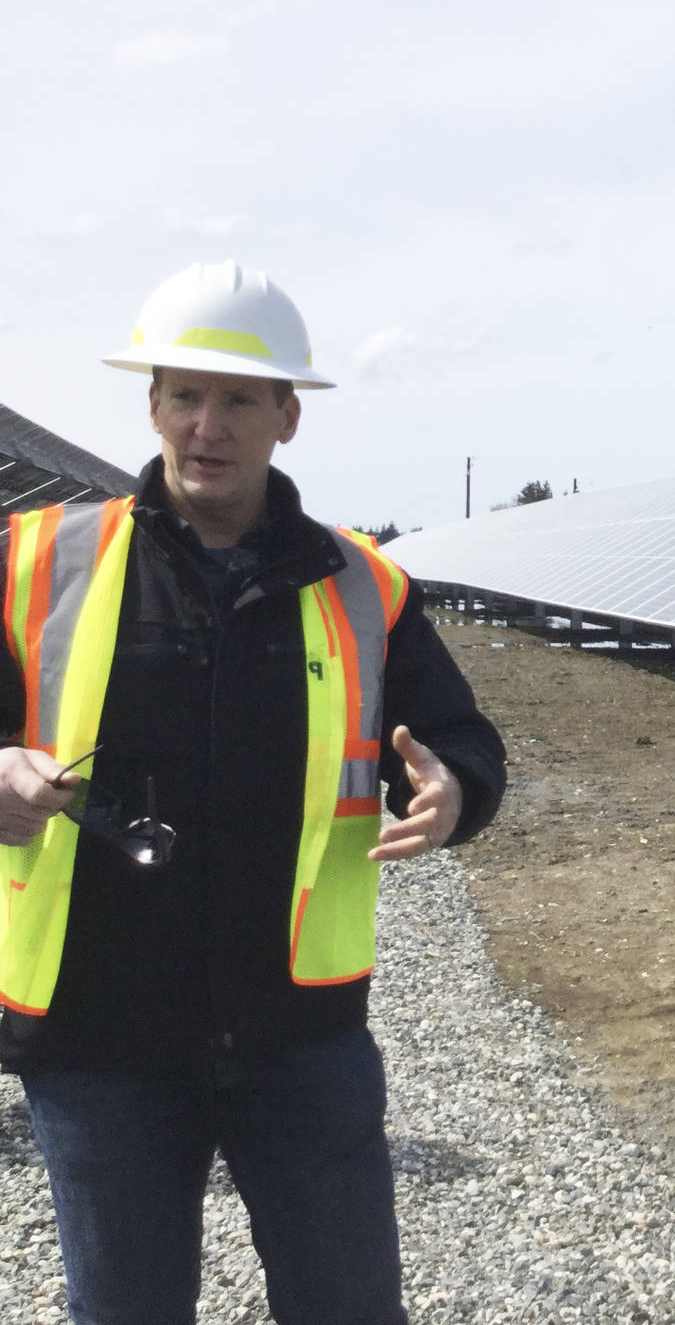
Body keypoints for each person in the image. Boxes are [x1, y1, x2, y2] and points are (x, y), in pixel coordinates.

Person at [0, 262, 506, 1324]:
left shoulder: (367, 589)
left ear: (288, 417)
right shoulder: (39, 560)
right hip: (98, 1045)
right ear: (152, 407)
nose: (206, 426)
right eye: (184, 395)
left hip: (300, 1041)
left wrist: (454, 792)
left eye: (238, 400)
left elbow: (463, 743)